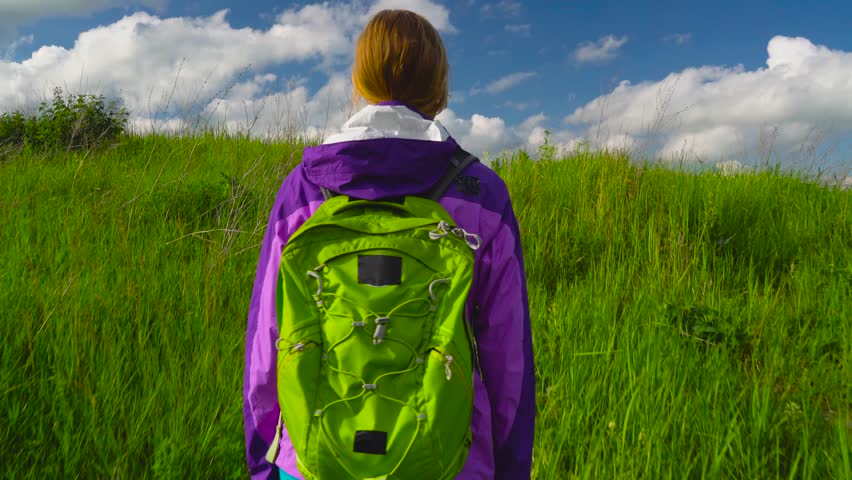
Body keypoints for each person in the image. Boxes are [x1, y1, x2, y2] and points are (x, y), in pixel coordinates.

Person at [243, 9, 535, 480]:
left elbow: (267, 342)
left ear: (360, 80)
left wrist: (263, 462)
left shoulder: (303, 190)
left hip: (313, 459)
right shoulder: (480, 193)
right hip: (449, 460)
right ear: (439, 88)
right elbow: (508, 357)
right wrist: (512, 469)